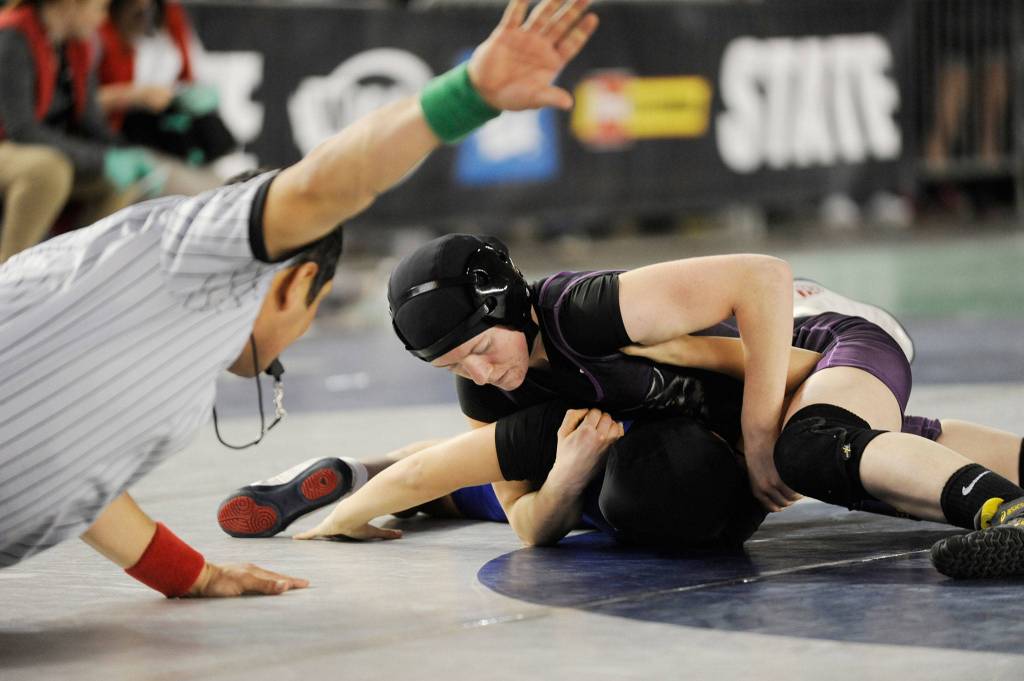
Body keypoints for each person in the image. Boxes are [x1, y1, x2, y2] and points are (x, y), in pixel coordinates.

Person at [0, 0, 600, 597]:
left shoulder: (163, 378)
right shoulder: (183, 252)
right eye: (311, 315)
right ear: (293, 284)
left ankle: (384, 477)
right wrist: (468, 94)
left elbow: (76, 479)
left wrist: (194, 574)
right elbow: (320, 187)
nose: (294, 342)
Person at [294, 233, 1024, 578]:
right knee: (854, 453)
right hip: (750, 380)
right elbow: (516, 513)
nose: (484, 372)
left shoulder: (584, 310)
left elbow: (762, 277)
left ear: (506, 305)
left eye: (482, 348)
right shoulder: (487, 384)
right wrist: (567, 477)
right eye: (456, 366)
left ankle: (1005, 513)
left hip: (811, 336)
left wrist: (761, 432)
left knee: (815, 445)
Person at [0, 0, 150, 261]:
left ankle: (79, 270)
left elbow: (91, 123)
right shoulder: (13, 36)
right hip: (12, 145)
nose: (102, 19)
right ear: (70, 5)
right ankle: (9, 273)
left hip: (40, 147)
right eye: (98, 8)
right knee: (48, 170)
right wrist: (101, 159)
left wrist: (130, 154)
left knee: (120, 179)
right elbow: (21, 130)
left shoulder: (77, 46)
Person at [97, 0, 232, 186]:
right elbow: (80, 103)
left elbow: (191, 74)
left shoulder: (169, 13)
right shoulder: (99, 16)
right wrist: (133, 96)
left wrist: (190, 94)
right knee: (202, 193)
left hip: (168, 137)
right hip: (121, 141)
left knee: (224, 189)